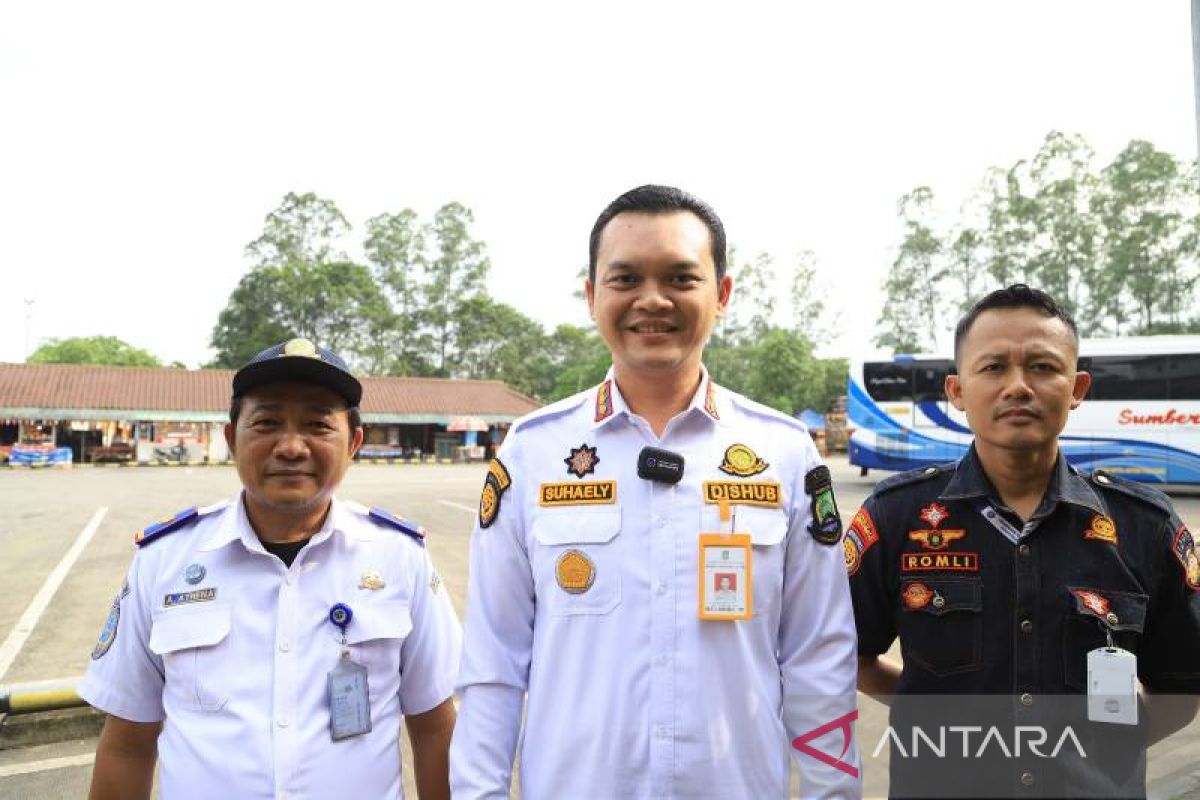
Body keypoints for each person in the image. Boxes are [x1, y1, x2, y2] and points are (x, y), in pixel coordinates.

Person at [451, 185, 861, 799]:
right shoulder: (533, 453)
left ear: (721, 295)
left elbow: (818, 658)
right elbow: (493, 665)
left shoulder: (784, 453)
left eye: (679, 277)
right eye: (625, 279)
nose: (652, 300)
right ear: (592, 296)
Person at [848, 285, 1200, 798]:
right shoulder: (897, 516)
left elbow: (1181, 686)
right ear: (957, 391)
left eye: (1042, 367)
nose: (1018, 386)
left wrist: (1102, 748)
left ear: (1076, 387)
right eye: (993, 368)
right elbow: (850, 654)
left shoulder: (1145, 525)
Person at [80, 338, 461, 800]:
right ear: (230, 438)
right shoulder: (165, 562)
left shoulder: (400, 558)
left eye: (318, 424)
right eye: (267, 422)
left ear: (354, 442)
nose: (291, 446)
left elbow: (435, 727)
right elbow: (127, 744)